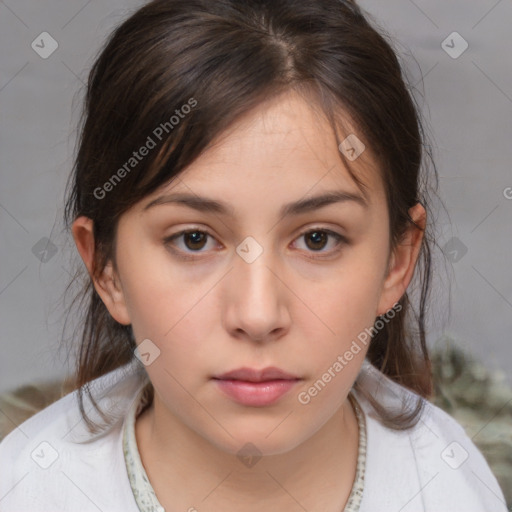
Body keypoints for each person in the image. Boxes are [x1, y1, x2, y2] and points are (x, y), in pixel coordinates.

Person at [0, 0, 508, 510]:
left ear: (397, 261)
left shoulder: (448, 485)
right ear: (106, 269)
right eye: (193, 239)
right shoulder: (28, 490)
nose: (258, 315)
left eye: (317, 239)